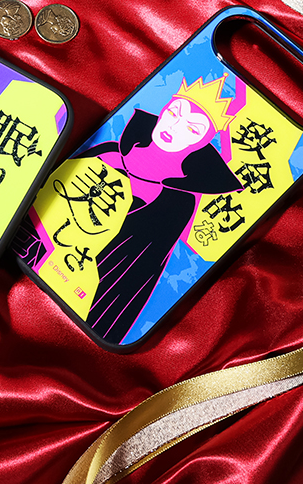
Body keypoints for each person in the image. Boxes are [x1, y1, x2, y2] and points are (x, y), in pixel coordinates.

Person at [74, 76, 243, 342]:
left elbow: (136, 273)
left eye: (192, 129)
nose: (174, 127)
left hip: (87, 290)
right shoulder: (108, 151)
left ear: (201, 142)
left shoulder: (178, 202)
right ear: (163, 111)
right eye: (174, 113)